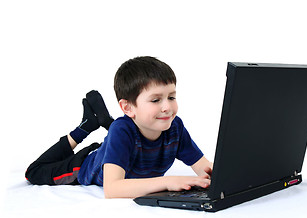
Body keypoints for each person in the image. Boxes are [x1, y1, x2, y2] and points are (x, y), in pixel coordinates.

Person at [25, 56, 213, 198]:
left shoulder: (175, 127)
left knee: (122, 130)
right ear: (127, 108)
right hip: (84, 165)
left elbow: (205, 167)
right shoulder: (122, 131)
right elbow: (112, 188)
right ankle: (85, 127)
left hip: (120, 140)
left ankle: (108, 123)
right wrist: (169, 182)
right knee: (34, 172)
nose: (167, 107)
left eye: (171, 97)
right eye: (156, 100)